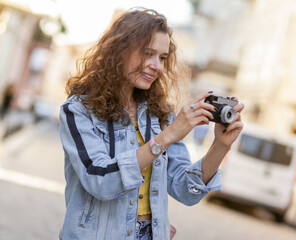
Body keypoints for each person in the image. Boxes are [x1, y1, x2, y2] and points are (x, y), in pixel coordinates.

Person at [58, 8, 244, 240]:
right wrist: (166, 137)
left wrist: (221, 145)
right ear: (119, 51)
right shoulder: (78, 110)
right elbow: (99, 180)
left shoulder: (160, 114)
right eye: (148, 54)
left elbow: (185, 190)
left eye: (163, 58)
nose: (157, 66)